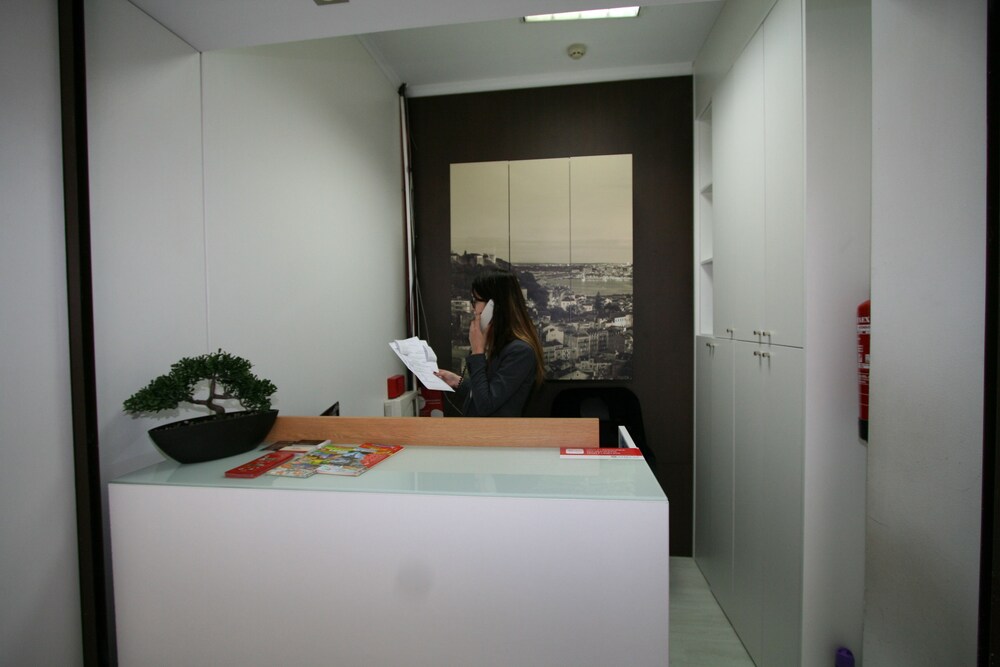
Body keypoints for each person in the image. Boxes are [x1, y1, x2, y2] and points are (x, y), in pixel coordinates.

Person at [434, 269, 545, 416]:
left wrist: (477, 352)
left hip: (495, 431)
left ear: (494, 306)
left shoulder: (520, 352)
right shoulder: (499, 344)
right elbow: (486, 392)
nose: (473, 308)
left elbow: (486, 405)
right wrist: (457, 381)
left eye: (476, 300)